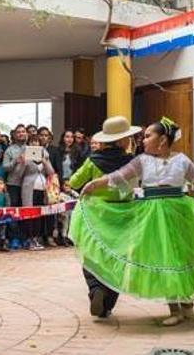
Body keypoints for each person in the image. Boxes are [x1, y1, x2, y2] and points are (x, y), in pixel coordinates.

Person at [73, 117, 194, 326]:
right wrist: (94, 184)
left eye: (147, 136)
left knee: (182, 254)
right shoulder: (141, 161)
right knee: (163, 258)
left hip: (180, 211)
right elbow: (119, 176)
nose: (142, 140)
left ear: (162, 140)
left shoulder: (181, 160)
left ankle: (187, 300)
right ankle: (175, 308)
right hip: (153, 215)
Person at [67, 116, 139, 318]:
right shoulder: (132, 161)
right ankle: (107, 302)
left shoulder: (93, 160)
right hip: (123, 214)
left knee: (91, 253)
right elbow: (134, 185)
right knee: (118, 256)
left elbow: (74, 182)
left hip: (96, 213)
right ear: (123, 140)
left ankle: (95, 289)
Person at [20, 137, 55, 250]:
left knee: (39, 214)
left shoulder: (45, 154)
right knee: (30, 213)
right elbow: (18, 174)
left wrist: (45, 162)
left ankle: (37, 238)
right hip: (29, 188)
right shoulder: (24, 154)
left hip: (42, 188)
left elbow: (51, 172)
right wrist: (23, 163)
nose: (35, 143)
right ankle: (29, 239)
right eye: (32, 142)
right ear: (28, 144)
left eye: (37, 142)